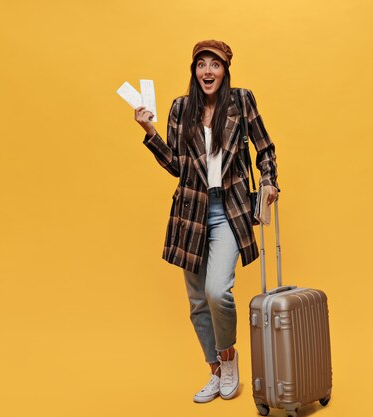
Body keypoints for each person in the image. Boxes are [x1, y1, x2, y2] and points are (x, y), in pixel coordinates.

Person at [134, 39, 279, 403]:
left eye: (215, 64)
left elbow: (265, 148)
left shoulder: (242, 101)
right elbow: (177, 167)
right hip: (192, 212)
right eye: (201, 65)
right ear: (194, 71)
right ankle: (215, 371)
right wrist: (150, 133)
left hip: (230, 209)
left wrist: (268, 181)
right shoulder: (181, 108)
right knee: (198, 301)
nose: (207, 71)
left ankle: (228, 357)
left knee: (218, 292)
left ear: (226, 69)